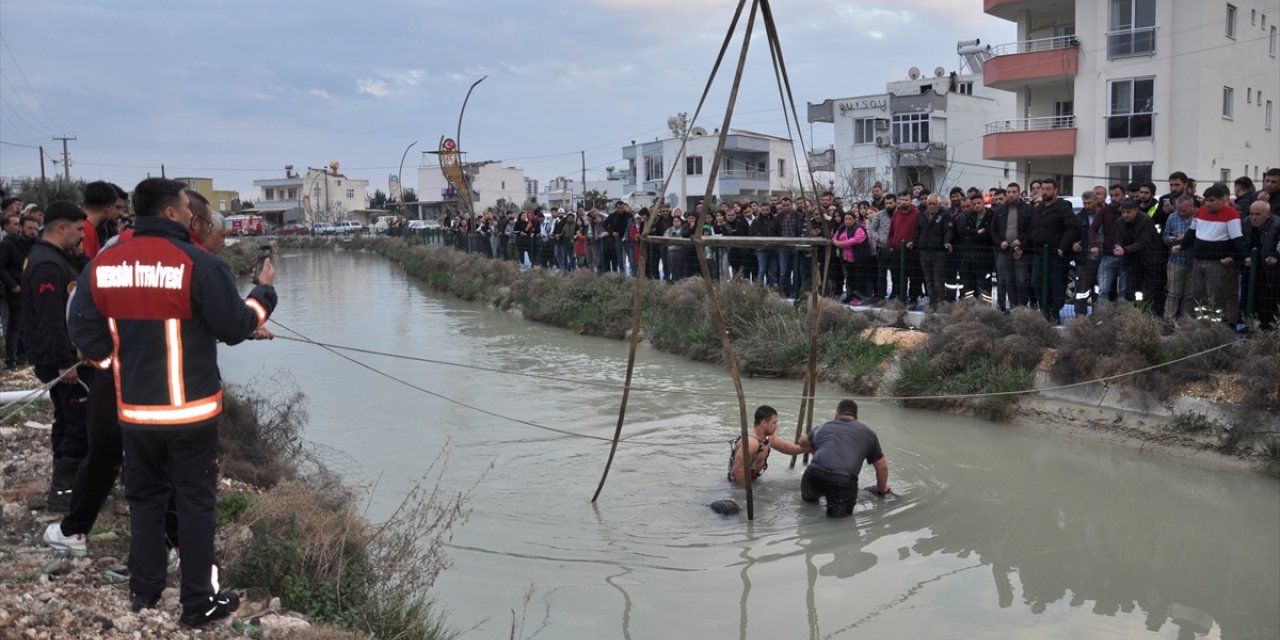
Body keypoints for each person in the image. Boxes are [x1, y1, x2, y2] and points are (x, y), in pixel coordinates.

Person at [68, 178, 277, 627]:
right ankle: (198, 603)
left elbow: (80, 322)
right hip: (191, 414)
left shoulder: (106, 262)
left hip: (135, 412)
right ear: (169, 213)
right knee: (195, 504)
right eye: (186, 209)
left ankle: (144, 592)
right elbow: (236, 326)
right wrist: (264, 294)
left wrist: (112, 360)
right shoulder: (198, 264)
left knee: (144, 499)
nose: (191, 217)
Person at [21, 202, 90, 511]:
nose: (81, 237)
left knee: (65, 418)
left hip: (61, 357)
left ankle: (67, 488)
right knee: (76, 422)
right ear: (61, 228)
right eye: (78, 230)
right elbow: (51, 318)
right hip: (61, 360)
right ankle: (64, 494)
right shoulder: (47, 264)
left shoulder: (58, 259)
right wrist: (64, 361)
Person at [797, 399, 889, 518]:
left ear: (836, 415)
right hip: (842, 482)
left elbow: (802, 442)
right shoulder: (868, 433)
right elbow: (882, 467)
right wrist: (881, 490)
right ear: (856, 417)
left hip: (813, 474)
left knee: (807, 511)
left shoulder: (823, 426)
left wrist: (817, 446)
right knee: (839, 523)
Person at [728, 405, 807, 486]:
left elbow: (786, 448)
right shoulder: (751, 442)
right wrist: (751, 493)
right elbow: (738, 471)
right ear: (764, 423)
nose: (777, 426)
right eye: (774, 423)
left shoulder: (767, 437)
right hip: (737, 484)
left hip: (752, 480)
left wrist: (808, 448)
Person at [0, 215, 37, 368]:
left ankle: (31, 355)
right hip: (16, 289)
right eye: (29, 228)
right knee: (15, 326)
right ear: (21, 227)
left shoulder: (39, 244)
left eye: (35, 228)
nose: (33, 232)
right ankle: (11, 358)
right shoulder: (9, 244)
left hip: (34, 289)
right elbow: (1, 266)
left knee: (34, 323)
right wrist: (13, 285)